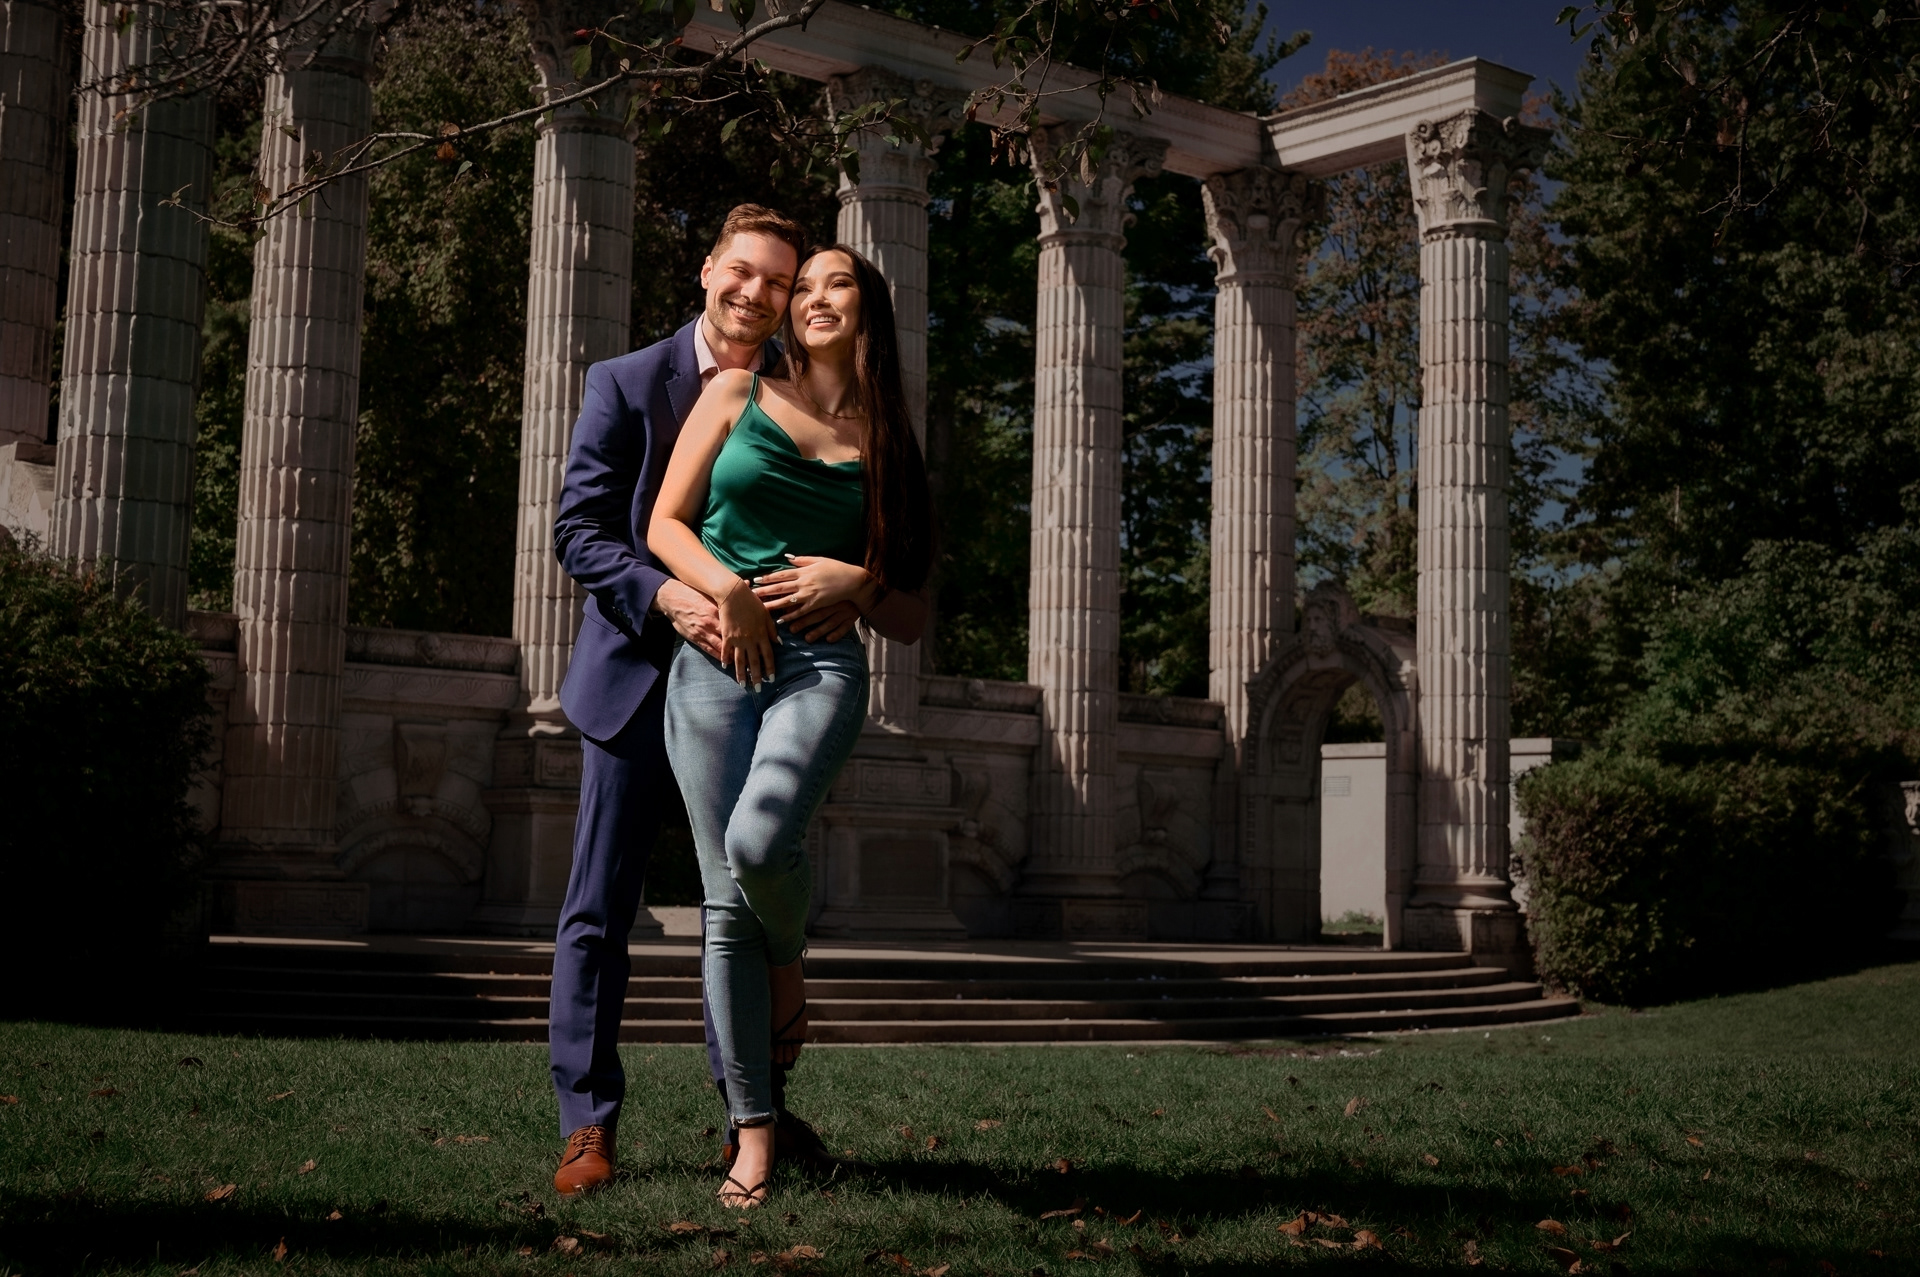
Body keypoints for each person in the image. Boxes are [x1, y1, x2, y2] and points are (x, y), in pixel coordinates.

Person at [547, 205, 853, 1198]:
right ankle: (588, 1123)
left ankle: (747, 1117)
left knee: (743, 898)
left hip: (757, 683)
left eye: (780, 282)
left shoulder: (797, 397)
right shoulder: (627, 382)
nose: (760, 294)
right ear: (709, 269)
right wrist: (670, 592)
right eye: (747, 272)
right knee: (600, 908)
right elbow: (583, 529)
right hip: (639, 675)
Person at [648, 244, 933, 1207]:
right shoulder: (733, 393)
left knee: (761, 841)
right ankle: (755, 1136)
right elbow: (665, 526)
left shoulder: (891, 436)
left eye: (835, 284)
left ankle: (790, 957)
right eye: (800, 286)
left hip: (820, 667)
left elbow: (915, 611)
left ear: (868, 310)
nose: (811, 298)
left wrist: (862, 580)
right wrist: (725, 589)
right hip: (713, 666)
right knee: (723, 894)